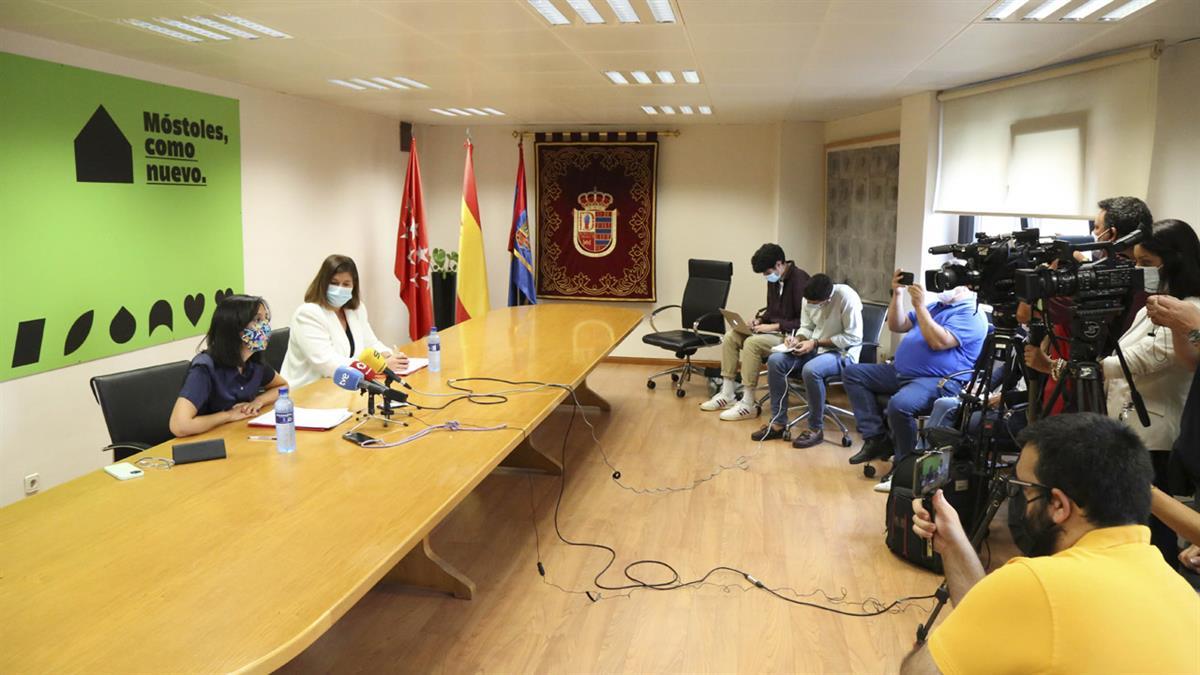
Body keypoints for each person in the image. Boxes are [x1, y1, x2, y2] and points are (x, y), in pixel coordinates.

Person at [902, 413, 1200, 675]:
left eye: (1021, 488)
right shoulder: (1175, 586)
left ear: (1058, 504)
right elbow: (998, 626)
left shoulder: (1037, 583)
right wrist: (953, 545)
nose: (1016, 500)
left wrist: (922, 652)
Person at [1026, 219, 1200, 564]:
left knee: (1151, 531)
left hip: (1155, 438)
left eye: (1146, 263)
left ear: (1175, 261)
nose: (1137, 271)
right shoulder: (1158, 302)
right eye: (1135, 262)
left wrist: (1054, 368)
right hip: (1127, 425)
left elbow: (1128, 363)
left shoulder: (1187, 310)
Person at [843, 271, 988, 492]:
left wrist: (919, 306)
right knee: (854, 373)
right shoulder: (936, 307)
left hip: (937, 380)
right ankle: (876, 438)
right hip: (901, 372)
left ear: (966, 287)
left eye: (949, 284)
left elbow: (938, 342)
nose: (942, 289)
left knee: (900, 405)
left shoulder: (972, 314)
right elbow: (897, 324)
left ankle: (905, 466)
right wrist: (898, 294)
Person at [700, 243, 810, 421]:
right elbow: (772, 311)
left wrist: (773, 326)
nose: (767, 277)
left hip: (791, 337)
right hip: (773, 332)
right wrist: (760, 320)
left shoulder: (800, 280)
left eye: (767, 273)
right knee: (731, 337)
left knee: (752, 343)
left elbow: (805, 321)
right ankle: (727, 393)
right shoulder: (775, 280)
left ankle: (748, 402)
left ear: (779, 264)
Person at [751, 274, 862, 447]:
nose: (811, 306)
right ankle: (778, 423)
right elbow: (807, 327)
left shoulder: (846, 297)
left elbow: (853, 337)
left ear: (828, 298)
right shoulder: (809, 296)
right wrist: (797, 339)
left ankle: (815, 429)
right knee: (775, 361)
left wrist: (815, 342)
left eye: (816, 303)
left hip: (841, 353)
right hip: (813, 347)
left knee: (811, 370)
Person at [282, 254, 409, 389]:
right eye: (334, 283)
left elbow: (371, 343)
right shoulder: (308, 314)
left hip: (342, 387)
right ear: (323, 283)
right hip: (308, 391)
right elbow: (326, 363)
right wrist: (378, 366)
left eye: (346, 284)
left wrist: (390, 356)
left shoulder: (356, 309)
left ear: (353, 286)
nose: (339, 289)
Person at [169, 294, 288, 437]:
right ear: (234, 327)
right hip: (206, 441)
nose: (265, 326)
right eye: (257, 320)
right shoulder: (205, 368)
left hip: (238, 434)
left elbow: (282, 387)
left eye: (265, 319)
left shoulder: (253, 361)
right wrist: (228, 415)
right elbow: (179, 426)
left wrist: (258, 401)